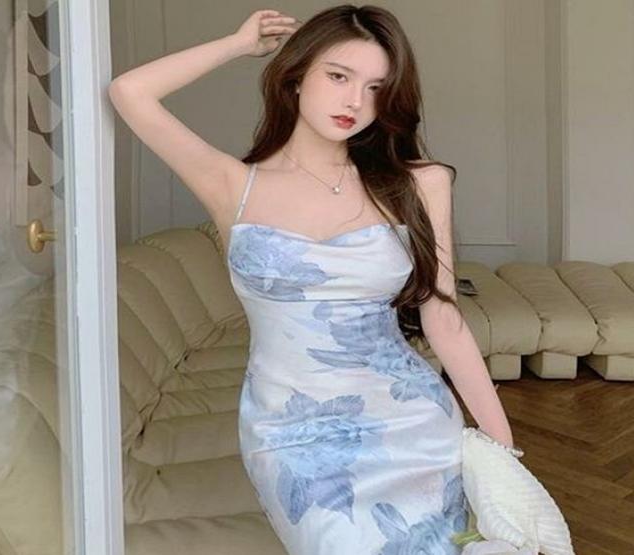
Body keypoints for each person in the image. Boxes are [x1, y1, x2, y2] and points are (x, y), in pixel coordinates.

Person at [108, 5, 517, 554]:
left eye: (376, 88)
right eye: (338, 76)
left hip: (412, 425)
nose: (355, 102)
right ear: (297, 75)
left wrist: (503, 450)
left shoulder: (419, 184)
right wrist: (238, 44)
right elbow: (130, 92)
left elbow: (445, 320)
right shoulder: (233, 186)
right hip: (291, 435)